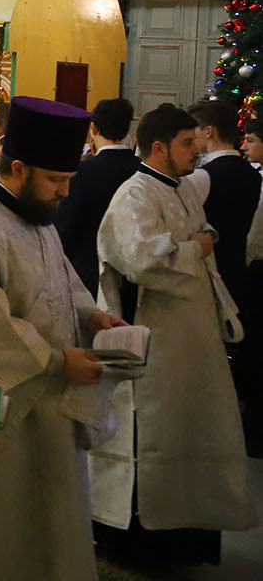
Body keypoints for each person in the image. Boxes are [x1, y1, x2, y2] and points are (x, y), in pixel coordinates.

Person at [0, 96, 126, 581]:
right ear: (18, 168)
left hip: (49, 416)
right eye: (56, 180)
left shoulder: (37, 220)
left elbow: (62, 286)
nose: (64, 191)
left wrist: (92, 316)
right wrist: (59, 361)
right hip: (0, 415)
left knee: (49, 532)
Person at [90, 103, 258, 566]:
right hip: (157, 340)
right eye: (187, 144)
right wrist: (196, 248)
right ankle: (146, 549)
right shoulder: (134, 195)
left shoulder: (182, 188)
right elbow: (143, 261)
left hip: (191, 337)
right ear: (159, 148)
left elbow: (203, 234)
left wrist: (201, 241)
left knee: (194, 427)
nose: (196, 150)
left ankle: (189, 538)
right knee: (158, 434)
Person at [188, 98, 262, 448]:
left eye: (193, 132)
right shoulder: (252, 173)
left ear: (207, 131)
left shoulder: (203, 176)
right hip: (238, 267)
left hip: (207, 269)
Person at [56, 98, 138, 295]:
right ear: (127, 129)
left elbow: (66, 229)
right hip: (133, 274)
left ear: (93, 128)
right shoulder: (141, 169)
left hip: (89, 274)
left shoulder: (81, 173)